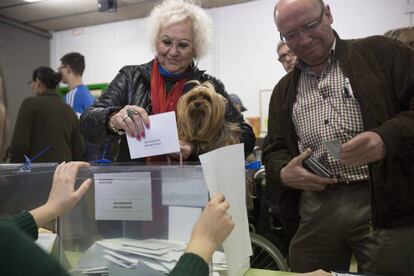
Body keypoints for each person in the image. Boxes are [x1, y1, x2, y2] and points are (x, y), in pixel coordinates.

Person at [263, 0, 414, 275]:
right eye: (291, 34)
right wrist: (284, 173)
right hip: (315, 204)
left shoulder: (382, 53)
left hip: (382, 196)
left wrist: (386, 138)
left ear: (328, 14)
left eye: (309, 26)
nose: (304, 40)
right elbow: (274, 150)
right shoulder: (284, 91)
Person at [79, 0, 255, 162]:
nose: (173, 52)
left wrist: (195, 149)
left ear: (196, 48)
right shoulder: (130, 77)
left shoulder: (211, 87)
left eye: (183, 45)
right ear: (156, 41)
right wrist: (113, 119)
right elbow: (86, 123)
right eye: (166, 42)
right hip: (136, 184)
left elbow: (246, 139)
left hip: (189, 186)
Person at [10, 66, 84, 163]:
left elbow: (20, 144)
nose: (32, 87)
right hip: (62, 173)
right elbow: (79, 147)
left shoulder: (30, 104)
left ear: (38, 82)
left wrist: (14, 169)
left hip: (34, 174)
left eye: (31, 83)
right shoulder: (69, 110)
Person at [59, 52, 100, 161]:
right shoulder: (89, 95)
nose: (59, 71)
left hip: (82, 154)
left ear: (67, 68)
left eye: (61, 68)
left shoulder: (72, 95)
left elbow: (71, 131)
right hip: (93, 152)